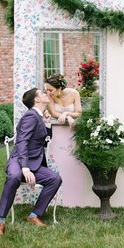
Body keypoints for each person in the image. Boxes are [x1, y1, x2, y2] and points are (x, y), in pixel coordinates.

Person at [0, 88, 62, 235]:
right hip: (19, 160)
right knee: (14, 177)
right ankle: (1, 220)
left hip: (34, 163)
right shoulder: (31, 116)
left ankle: (34, 215)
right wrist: (25, 168)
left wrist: (47, 123)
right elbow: (22, 142)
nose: (46, 93)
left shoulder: (39, 117)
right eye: (42, 93)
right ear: (37, 99)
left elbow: (45, 142)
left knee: (55, 179)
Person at [44, 74, 84, 207]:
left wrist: (67, 114)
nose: (48, 93)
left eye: (51, 90)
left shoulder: (74, 93)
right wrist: (66, 117)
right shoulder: (50, 96)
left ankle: (77, 198)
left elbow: (79, 112)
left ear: (59, 88)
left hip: (73, 135)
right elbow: (54, 113)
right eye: (47, 90)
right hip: (58, 137)